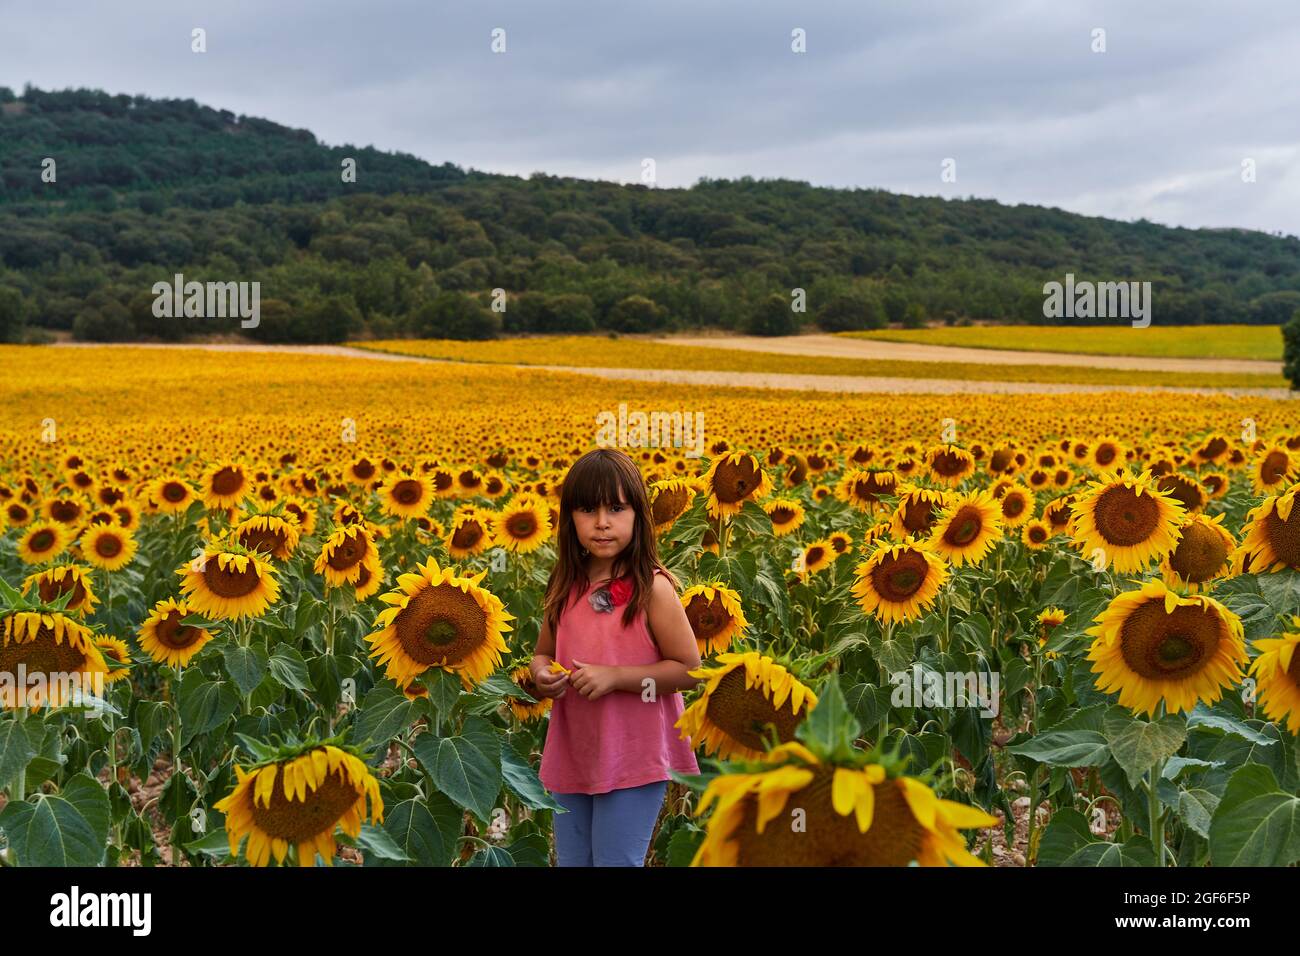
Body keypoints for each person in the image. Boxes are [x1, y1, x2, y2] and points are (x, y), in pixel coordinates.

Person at [529, 448, 701, 866]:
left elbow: (691, 670)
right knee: (573, 861)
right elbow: (543, 653)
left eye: (616, 508)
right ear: (570, 518)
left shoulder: (652, 589)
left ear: (638, 516)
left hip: (633, 754)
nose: (602, 522)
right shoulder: (566, 583)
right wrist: (541, 675)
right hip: (575, 749)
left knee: (616, 861)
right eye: (588, 509)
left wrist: (616, 677)